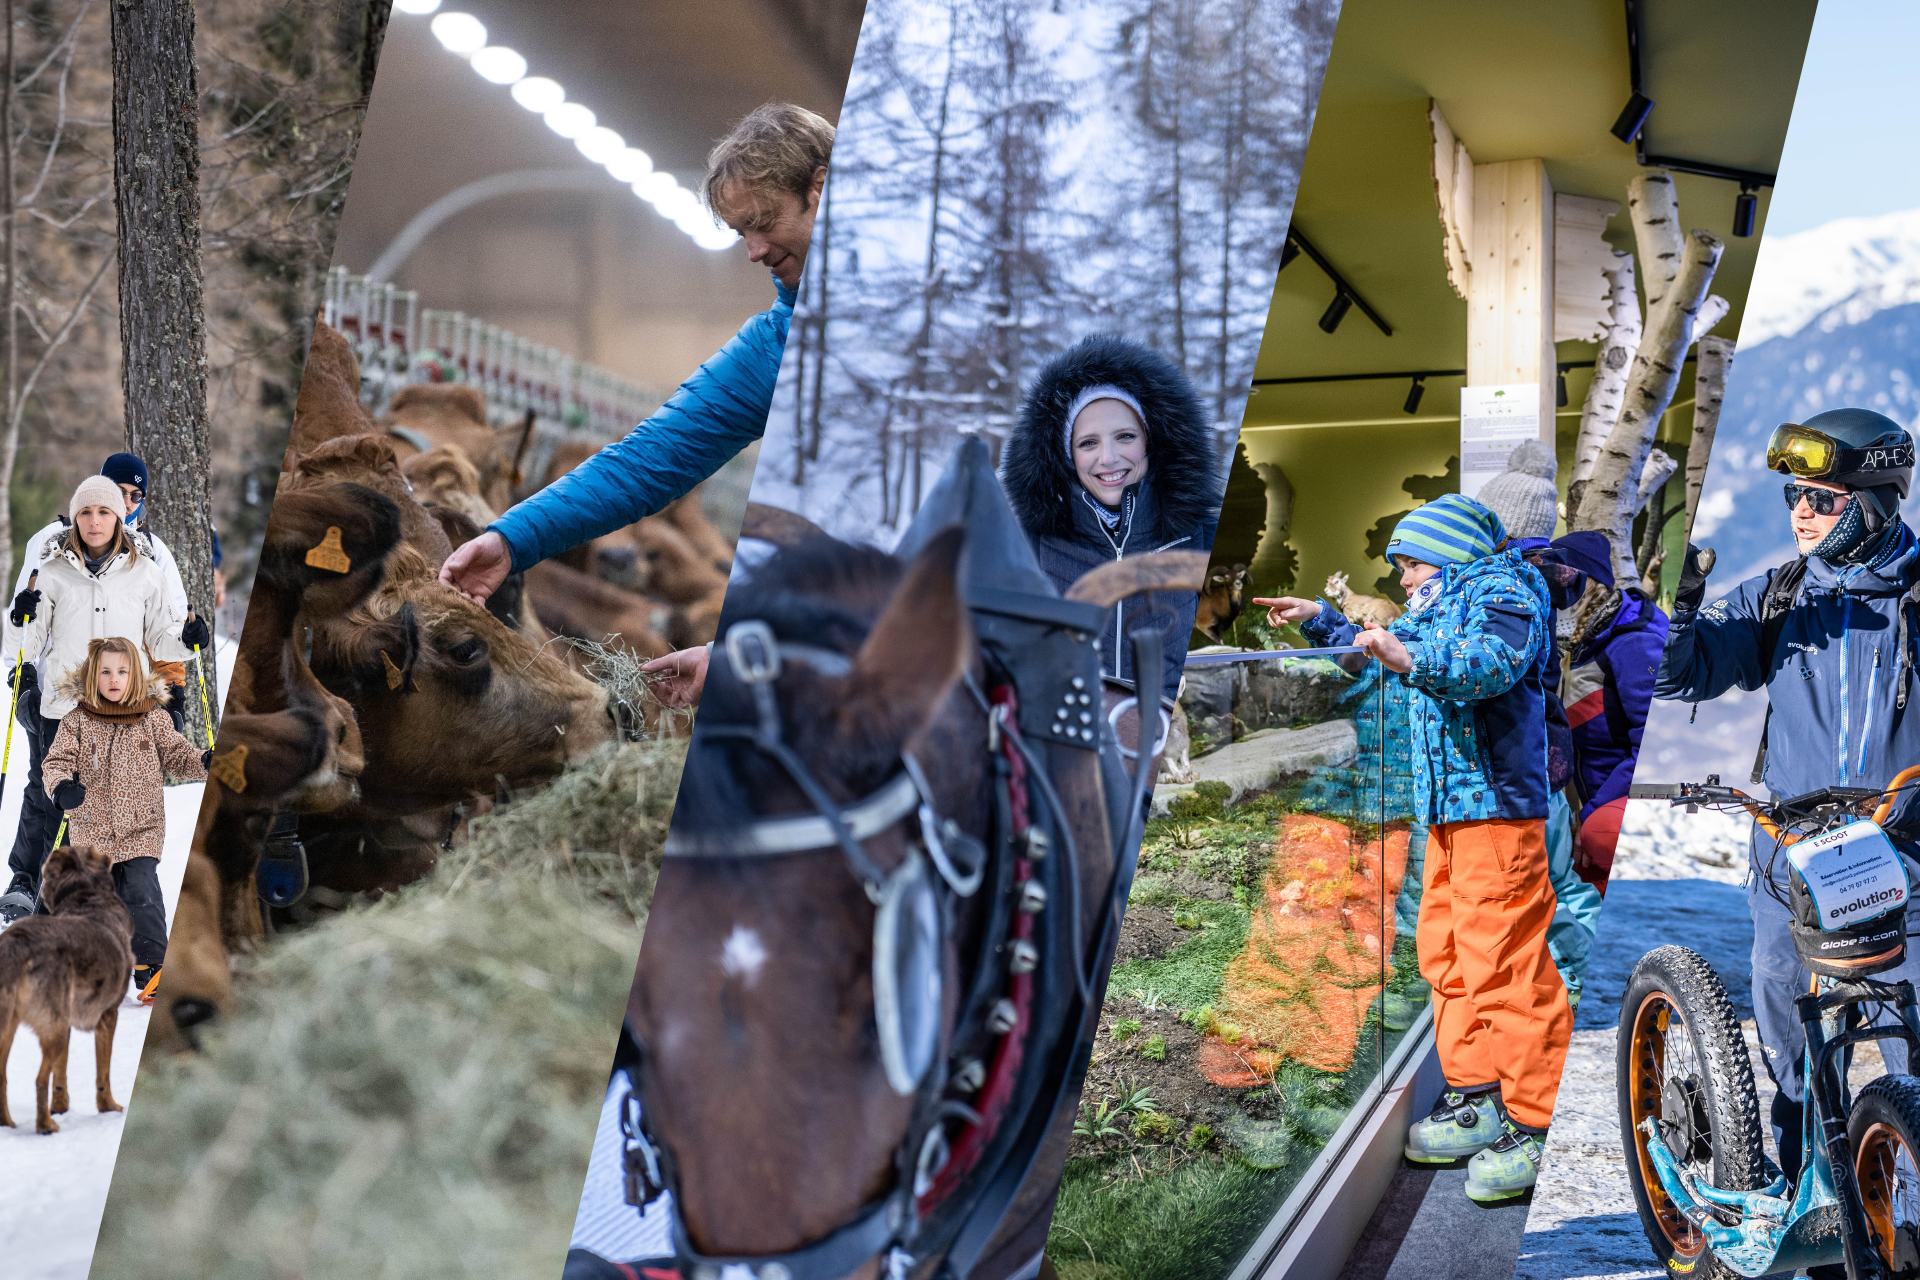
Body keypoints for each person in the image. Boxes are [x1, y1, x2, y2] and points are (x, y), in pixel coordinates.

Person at [439, 101, 835, 707]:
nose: (753, 251)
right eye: (739, 233)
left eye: (763, 221)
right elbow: (649, 459)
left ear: (824, 185)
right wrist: (511, 538)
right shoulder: (776, 346)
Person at [1260, 494, 1569, 1201]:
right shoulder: (1437, 605)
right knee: (1447, 952)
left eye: (1409, 563)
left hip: (1494, 810)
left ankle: (1537, 1119)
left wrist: (1406, 651)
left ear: (1453, 551)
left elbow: (1485, 664)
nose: (1401, 579)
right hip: (1445, 812)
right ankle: (1476, 1090)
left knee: (1506, 963)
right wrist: (1325, 622)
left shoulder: (1504, 592)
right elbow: (1387, 663)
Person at [1655, 406, 1919, 1191]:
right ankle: (1814, 1195)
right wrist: (1681, 603)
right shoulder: (1780, 595)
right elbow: (1683, 674)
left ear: (1873, 502)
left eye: (1823, 498)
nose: (1802, 512)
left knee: (1911, 1034)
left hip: (1904, 851)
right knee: (1791, 1035)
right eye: (1794, 497)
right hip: (1790, 854)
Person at [0, 476, 201, 925]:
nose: (95, 521)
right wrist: (19, 617)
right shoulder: (51, 571)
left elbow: (161, 639)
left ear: (119, 519)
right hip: (64, 707)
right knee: (52, 794)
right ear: (75, 517)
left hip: (121, 709)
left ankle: (93, 901)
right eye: (86, 512)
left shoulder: (145, 573)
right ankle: (31, 888)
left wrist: (186, 640)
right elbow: (24, 644)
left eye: (104, 512)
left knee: (105, 805)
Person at [1000, 335, 1221, 712]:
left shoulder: (1203, 538)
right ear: (1066, 456)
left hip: (1170, 758)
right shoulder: (1026, 548)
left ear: (1152, 441)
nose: (1108, 457)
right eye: (1088, 443)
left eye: (1125, 436)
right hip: (1068, 758)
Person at [1475, 442, 1606, 1003]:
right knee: (1560, 882)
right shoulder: (1543, 581)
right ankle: (1586, 969)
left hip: (1526, 767)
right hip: (1546, 763)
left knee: (1545, 887)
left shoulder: (1512, 586)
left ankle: (1574, 979)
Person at [42, 636, 208, 999]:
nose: (114, 679)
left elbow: (179, 756)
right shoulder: (77, 721)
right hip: (91, 833)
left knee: (141, 891)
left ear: (136, 675)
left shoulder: (154, 718)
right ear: (91, 676)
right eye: (105, 672)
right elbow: (55, 763)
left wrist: (204, 761)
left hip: (141, 830)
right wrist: (61, 788)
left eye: (123, 671)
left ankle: (152, 967)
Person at [10, 451, 194, 730]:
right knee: (47, 773)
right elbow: (23, 615)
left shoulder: (152, 552)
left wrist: (172, 693)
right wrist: (22, 681)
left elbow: (170, 627)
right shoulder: (51, 541)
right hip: (56, 697)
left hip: (124, 702)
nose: (127, 503)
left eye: (136, 495)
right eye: (119, 491)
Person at [1553, 529, 1668, 890]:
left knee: (1599, 842)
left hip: (1613, 811)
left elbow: (1652, 747)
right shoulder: (1584, 639)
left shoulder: (1634, 643)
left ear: (1592, 583)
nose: (1556, 594)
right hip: (1588, 803)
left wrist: (1593, 817)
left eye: (1566, 582)